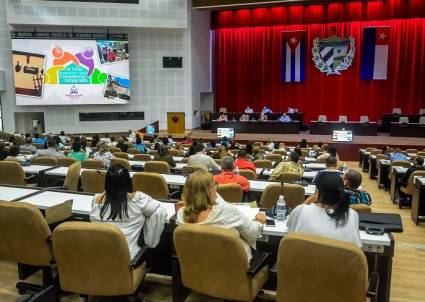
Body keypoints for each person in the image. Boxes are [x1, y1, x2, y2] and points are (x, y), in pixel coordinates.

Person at [176, 170, 266, 261]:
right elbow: (253, 233)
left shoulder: (181, 214)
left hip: (199, 266)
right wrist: (259, 222)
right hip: (234, 267)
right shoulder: (226, 211)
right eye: (214, 184)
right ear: (210, 190)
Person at [90, 165, 168, 259]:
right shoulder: (138, 200)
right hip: (126, 260)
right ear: (128, 181)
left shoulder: (96, 199)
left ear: (107, 182)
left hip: (97, 258)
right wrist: (150, 240)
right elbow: (159, 211)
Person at [287, 171, 361, 247]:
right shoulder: (352, 214)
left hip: (304, 257)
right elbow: (358, 248)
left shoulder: (301, 211)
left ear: (317, 192)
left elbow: (290, 232)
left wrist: (311, 198)